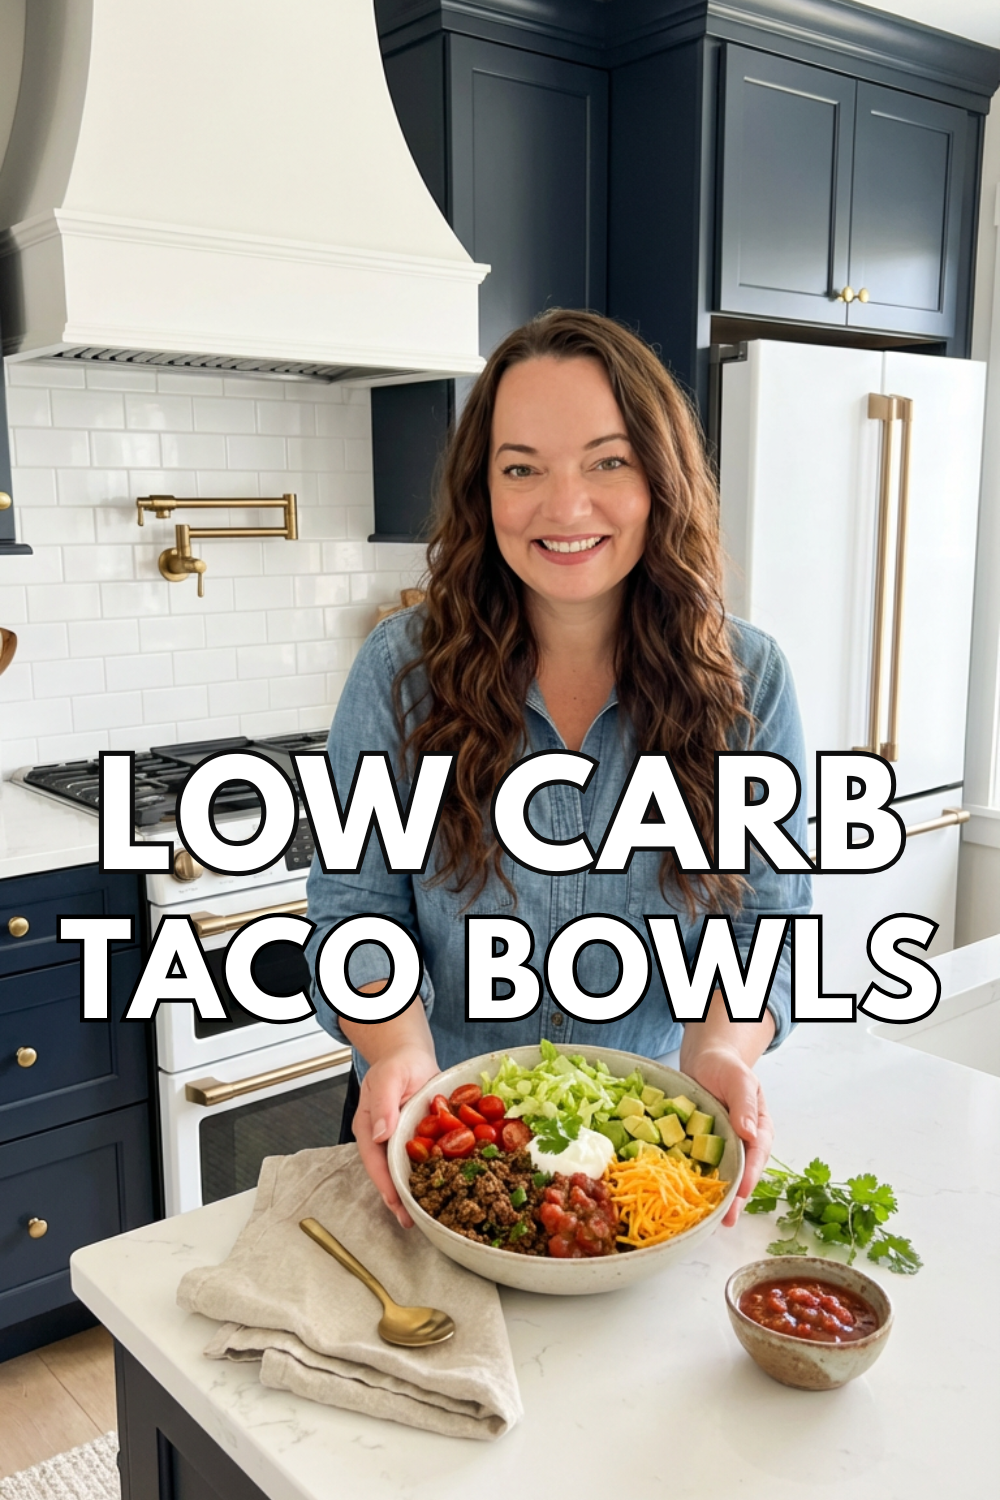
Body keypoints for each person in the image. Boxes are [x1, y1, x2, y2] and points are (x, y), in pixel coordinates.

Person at [305, 309, 811, 1231]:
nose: (564, 505)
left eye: (607, 461)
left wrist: (726, 1056)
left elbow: (766, 923)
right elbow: (356, 910)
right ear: (482, 490)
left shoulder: (752, 680)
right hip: (438, 1131)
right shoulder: (399, 671)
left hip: (642, 1152)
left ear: (660, 477)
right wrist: (396, 1052)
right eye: (522, 467)